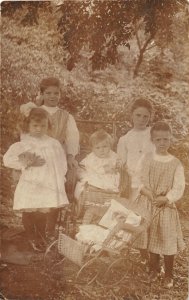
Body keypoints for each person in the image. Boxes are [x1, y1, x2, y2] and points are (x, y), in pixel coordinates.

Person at [20, 77, 80, 239]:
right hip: (37, 158)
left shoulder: (66, 116)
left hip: (55, 158)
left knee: (53, 191)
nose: (53, 96)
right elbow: (25, 135)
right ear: (42, 94)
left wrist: (70, 156)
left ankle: (49, 230)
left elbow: (72, 138)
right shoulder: (35, 112)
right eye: (48, 93)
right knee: (34, 192)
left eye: (56, 93)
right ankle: (32, 231)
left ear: (60, 94)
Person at [3, 108, 69, 251]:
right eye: (35, 126)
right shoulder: (25, 144)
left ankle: (40, 236)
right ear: (28, 126)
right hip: (32, 182)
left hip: (48, 183)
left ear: (48, 126)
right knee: (30, 209)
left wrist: (60, 178)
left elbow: (61, 162)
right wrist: (27, 162)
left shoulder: (54, 144)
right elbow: (7, 159)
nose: (39, 129)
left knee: (43, 210)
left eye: (43, 126)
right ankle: (30, 236)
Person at [140, 121, 185, 288]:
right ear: (152, 140)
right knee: (152, 237)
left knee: (166, 239)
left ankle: (169, 274)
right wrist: (149, 193)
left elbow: (179, 187)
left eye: (165, 139)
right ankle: (154, 269)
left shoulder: (175, 163)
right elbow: (141, 180)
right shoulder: (147, 159)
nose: (162, 143)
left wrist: (167, 198)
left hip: (165, 207)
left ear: (170, 140)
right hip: (150, 203)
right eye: (158, 140)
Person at [74, 129, 122, 223]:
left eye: (105, 146)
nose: (102, 150)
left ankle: (108, 195)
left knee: (115, 181)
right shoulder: (91, 158)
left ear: (110, 146)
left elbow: (119, 163)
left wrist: (118, 165)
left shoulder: (113, 156)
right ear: (92, 148)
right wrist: (104, 169)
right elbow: (87, 168)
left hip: (109, 178)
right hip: (96, 177)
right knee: (87, 181)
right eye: (98, 147)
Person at [117, 99, 155, 202]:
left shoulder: (154, 134)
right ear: (131, 115)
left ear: (150, 117)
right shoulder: (124, 139)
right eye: (138, 115)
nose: (141, 119)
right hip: (133, 179)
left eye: (145, 116)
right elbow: (122, 164)